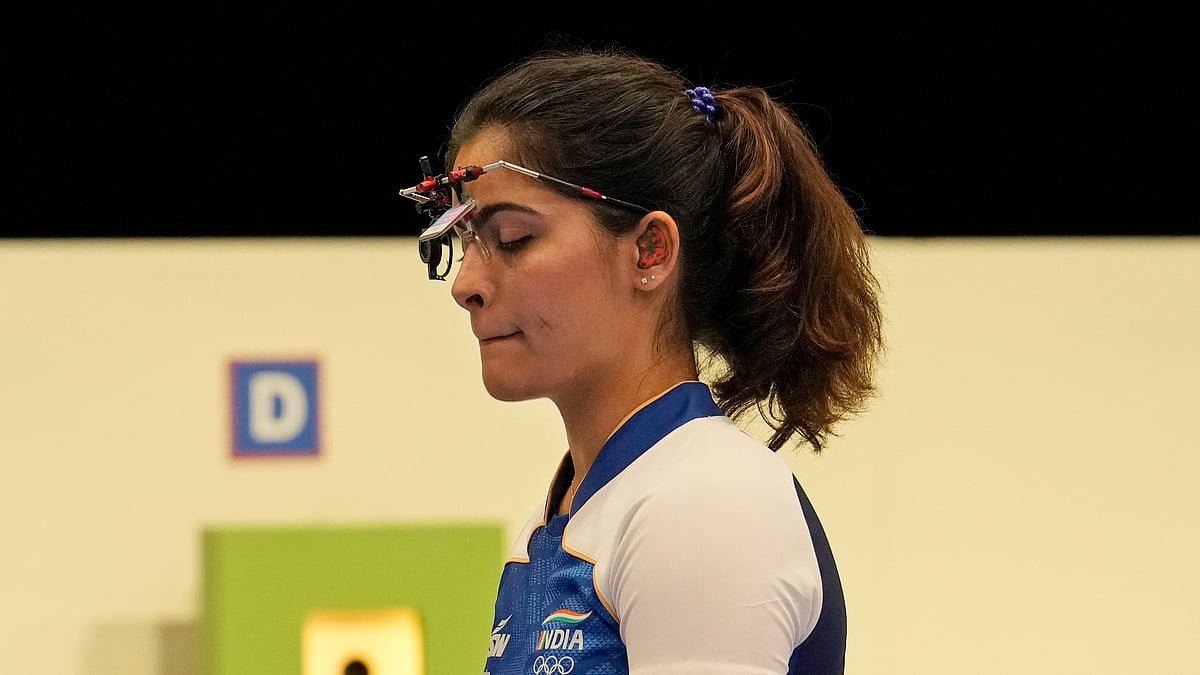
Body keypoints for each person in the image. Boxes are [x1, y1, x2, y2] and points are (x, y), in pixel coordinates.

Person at [399, 45, 883, 675]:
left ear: (650, 250)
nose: (467, 283)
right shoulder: (571, 519)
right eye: (463, 241)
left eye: (512, 239)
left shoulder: (704, 502)